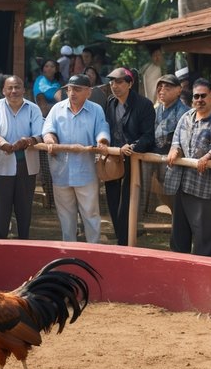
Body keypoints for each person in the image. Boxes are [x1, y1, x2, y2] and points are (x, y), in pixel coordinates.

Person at [164, 79, 211, 257]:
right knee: (179, 232)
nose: (199, 99)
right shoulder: (186, 117)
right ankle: (179, 269)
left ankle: (205, 273)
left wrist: (208, 156)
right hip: (181, 181)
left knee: (204, 234)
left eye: (203, 95)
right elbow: (177, 139)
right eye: (196, 96)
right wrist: (174, 149)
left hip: (205, 184)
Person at [42, 74, 110, 243]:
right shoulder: (57, 108)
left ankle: (93, 249)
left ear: (88, 92)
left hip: (86, 171)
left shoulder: (96, 109)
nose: (72, 93)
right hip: (61, 170)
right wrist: (50, 140)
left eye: (77, 90)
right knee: (65, 216)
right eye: (70, 89)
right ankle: (69, 248)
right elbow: (47, 130)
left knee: (91, 213)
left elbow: (102, 129)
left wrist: (102, 141)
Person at [0, 75, 44, 240]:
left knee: (24, 206)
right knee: (1, 205)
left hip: (26, 163)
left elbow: (40, 133)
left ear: (24, 90)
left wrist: (27, 141)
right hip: (1, 162)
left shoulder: (33, 108)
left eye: (17, 87)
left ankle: (23, 239)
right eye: (9, 88)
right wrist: (2, 143)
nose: (14, 91)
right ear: (3, 91)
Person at [103, 67, 155, 245]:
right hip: (113, 156)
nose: (114, 86)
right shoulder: (110, 102)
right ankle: (121, 238)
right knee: (112, 199)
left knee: (127, 202)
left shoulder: (144, 104)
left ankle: (124, 242)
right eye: (112, 82)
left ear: (130, 83)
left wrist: (132, 147)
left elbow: (148, 135)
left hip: (132, 158)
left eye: (119, 82)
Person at [147, 74, 188, 215]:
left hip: (175, 163)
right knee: (165, 198)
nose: (162, 90)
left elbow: (184, 141)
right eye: (160, 86)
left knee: (178, 201)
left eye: (167, 87)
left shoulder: (185, 113)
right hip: (156, 160)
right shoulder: (156, 109)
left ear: (179, 90)